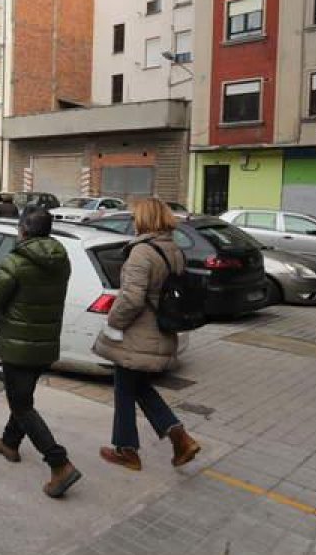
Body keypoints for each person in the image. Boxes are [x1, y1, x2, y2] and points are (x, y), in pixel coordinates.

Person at [0, 207, 82, 498]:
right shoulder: (61, 260)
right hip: (45, 343)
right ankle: (9, 443)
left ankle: (59, 463)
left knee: (21, 405)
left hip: (18, 345)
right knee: (23, 398)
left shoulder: (16, 261)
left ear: (23, 229)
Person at [92, 198, 201, 471]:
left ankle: (128, 450)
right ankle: (179, 438)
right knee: (138, 386)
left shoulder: (142, 252)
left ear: (144, 219)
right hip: (161, 330)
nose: (133, 221)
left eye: (136, 216)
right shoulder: (173, 250)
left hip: (138, 334)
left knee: (124, 388)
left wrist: (113, 323)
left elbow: (131, 299)